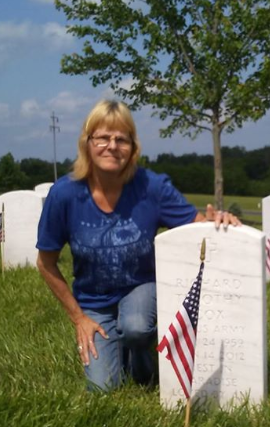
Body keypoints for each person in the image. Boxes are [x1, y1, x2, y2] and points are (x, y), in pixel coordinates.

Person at [36, 100, 240, 391]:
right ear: (87, 143)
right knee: (103, 389)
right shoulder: (64, 194)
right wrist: (78, 318)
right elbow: (45, 263)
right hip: (93, 302)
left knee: (136, 327)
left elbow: (196, 227)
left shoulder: (151, 187)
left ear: (133, 147)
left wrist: (217, 221)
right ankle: (118, 347)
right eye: (103, 137)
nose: (112, 146)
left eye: (122, 139)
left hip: (141, 287)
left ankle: (143, 363)